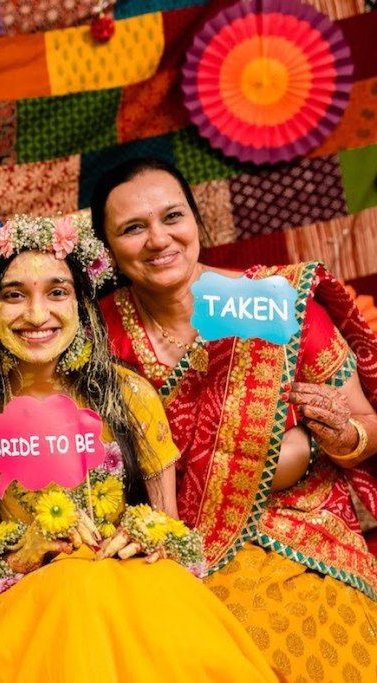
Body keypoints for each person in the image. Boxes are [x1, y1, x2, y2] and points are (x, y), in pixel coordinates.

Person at [0, 212, 276, 680]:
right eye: (14, 295)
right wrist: (20, 556)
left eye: (56, 292)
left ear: (83, 304)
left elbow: (171, 527)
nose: (36, 314)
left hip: (132, 592)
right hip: (20, 609)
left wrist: (149, 535)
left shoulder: (130, 397)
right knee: (74, 593)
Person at [93, 157, 377, 681]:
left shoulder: (264, 304)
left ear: (197, 222)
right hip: (156, 545)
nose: (159, 240)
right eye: (134, 228)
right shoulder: (97, 334)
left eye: (172, 217)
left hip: (295, 531)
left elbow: (366, 423)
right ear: (108, 249)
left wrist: (343, 437)